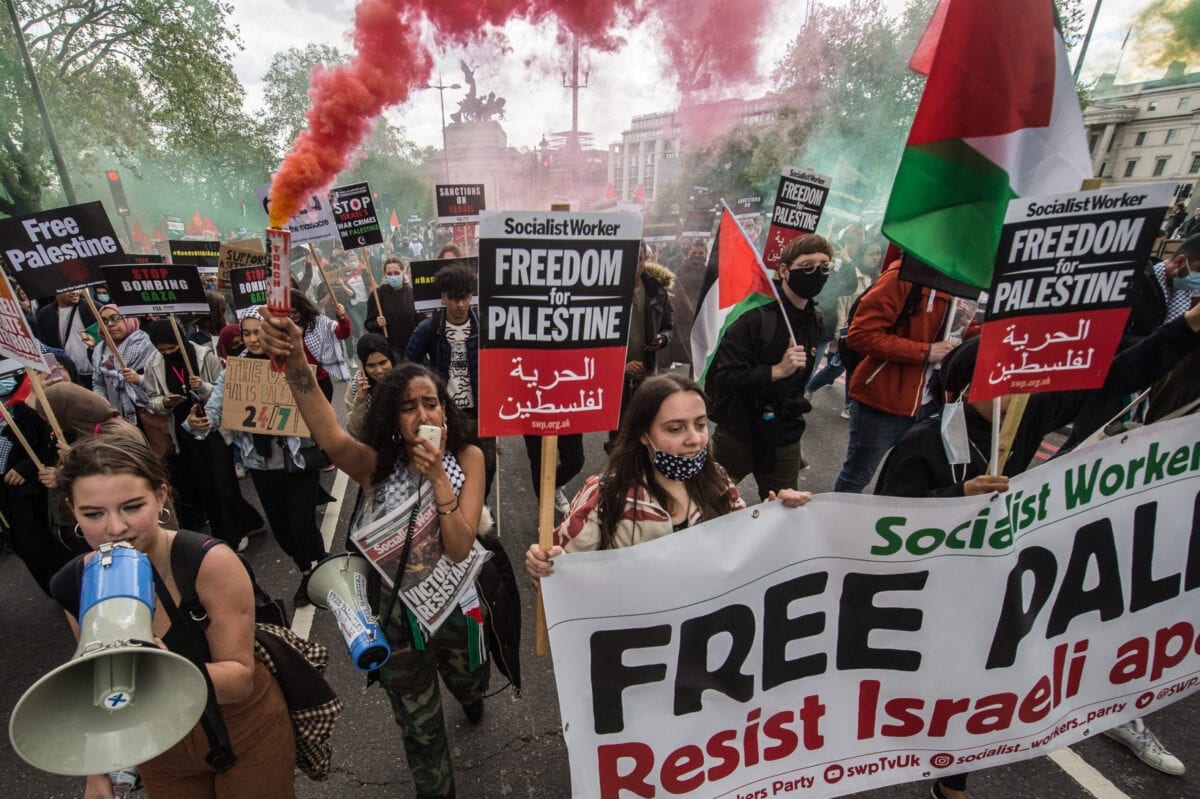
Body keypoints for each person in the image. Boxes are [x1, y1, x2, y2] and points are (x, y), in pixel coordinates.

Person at [875, 301, 1200, 791]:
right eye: (1003, 378)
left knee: (972, 683)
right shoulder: (923, 443)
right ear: (965, 388)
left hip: (985, 586)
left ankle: (952, 783)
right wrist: (957, 497)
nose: (1018, 388)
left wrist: (1189, 326)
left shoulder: (1027, 414)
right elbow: (884, 524)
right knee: (919, 684)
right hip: (925, 591)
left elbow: (1117, 376)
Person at [258, 312, 490, 799]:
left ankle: (469, 695)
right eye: (409, 407)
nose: (423, 415)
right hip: (397, 619)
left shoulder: (469, 458)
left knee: (470, 679)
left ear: (446, 410)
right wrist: (298, 358)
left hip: (456, 610)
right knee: (420, 730)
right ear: (392, 416)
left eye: (432, 403)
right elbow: (328, 434)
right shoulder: (373, 466)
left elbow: (459, 546)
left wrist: (439, 480)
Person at [50, 437, 295, 798]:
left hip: (242, 728)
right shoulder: (74, 583)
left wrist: (164, 668)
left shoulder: (208, 562)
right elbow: (102, 686)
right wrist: (97, 769)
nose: (115, 528)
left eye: (132, 507)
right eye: (93, 513)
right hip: (160, 742)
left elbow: (239, 681)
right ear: (72, 510)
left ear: (161, 496)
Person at [527, 374, 810, 575]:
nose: (694, 439)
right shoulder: (605, 494)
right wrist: (546, 565)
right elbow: (561, 572)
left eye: (700, 425)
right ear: (642, 435)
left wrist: (776, 517)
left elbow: (742, 548)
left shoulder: (720, 482)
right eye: (675, 429)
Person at [187, 311, 328, 607]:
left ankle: (316, 574)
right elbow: (215, 410)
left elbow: (319, 401)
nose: (252, 339)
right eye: (247, 334)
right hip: (261, 464)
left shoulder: (292, 364)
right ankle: (308, 568)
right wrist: (199, 422)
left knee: (302, 524)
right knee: (282, 529)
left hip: (297, 459)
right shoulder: (235, 372)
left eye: (258, 333)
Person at [706, 234, 829, 500]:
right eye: (807, 266)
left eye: (824, 266)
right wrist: (776, 371)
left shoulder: (815, 319)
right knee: (710, 503)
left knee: (784, 510)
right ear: (784, 270)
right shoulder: (753, 318)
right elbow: (723, 377)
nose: (816, 273)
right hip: (739, 433)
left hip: (784, 435)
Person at [833, 259, 968, 493]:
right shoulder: (903, 275)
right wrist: (925, 351)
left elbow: (966, 334)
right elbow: (860, 335)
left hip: (934, 405)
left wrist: (972, 329)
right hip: (883, 402)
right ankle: (832, 526)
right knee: (858, 476)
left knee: (908, 477)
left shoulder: (966, 285)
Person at [141, 320, 263, 550]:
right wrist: (165, 402)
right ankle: (229, 530)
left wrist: (203, 387)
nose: (168, 353)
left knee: (222, 481)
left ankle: (235, 531)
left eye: (172, 348)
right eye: (162, 350)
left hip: (213, 427)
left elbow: (224, 388)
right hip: (183, 430)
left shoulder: (204, 355)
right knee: (205, 484)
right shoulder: (153, 365)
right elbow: (153, 399)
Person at [406, 262, 497, 498]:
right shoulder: (429, 328)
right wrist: (429, 382)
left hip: (479, 413)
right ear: (443, 296)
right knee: (444, 468)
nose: (459, 305)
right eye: (453, 298)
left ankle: (479, 513)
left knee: (485, 468)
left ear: (471, 296)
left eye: (464, 297)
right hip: (444, 414)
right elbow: (407, 366)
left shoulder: (486, 326)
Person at [806, 240, 883, 417]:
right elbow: (842, 302)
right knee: (833, 367)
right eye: (872, 253)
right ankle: (807, 389)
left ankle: (848, 403)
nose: (876, 257)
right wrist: (839, 334)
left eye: (878, 253)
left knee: (849, 368)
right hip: (841, 329)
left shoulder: (877, 278)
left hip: (858, 331)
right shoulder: (844, 272)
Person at [86, 305, 153, 425]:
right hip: (117, 416)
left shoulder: (145, 346)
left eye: (115, 318)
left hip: (147, 412)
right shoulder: (99, 351)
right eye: (104, 321)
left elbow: (158, 381)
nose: (110, 324)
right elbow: (99, 383)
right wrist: (104, 406)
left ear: (128, 319)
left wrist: (138, 379)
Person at [288, 289, 351, 401]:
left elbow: (343, 333)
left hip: (320, 381)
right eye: (288, 313)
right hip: (296, 382)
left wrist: (342, 317)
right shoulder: (282, 328)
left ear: (303, 309)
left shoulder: (318, 322)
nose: (292, 316)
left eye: (295, 312)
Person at [33, 289, 96, 389]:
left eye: (77, 288)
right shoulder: (45, 315)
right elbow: (46, 348)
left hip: (97, 373)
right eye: (69, 289)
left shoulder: (93, 308)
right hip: (69, 378)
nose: (75, 292)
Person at [346, 334, 400, 439]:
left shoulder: (406, 378)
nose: (379, 371)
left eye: (383, 363)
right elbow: (355, 431)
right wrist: (360, 400)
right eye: (371, 366)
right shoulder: (357, 385)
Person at [365, 256, 419, 355]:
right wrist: (377, 324)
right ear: (385, 275)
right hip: (391, 348)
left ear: (403, 273)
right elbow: (368, 324)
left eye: (396, 273)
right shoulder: (377, 295)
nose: (393, 276)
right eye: (389, 274)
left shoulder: (412, 293)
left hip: (413, 346)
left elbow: (419, 320)